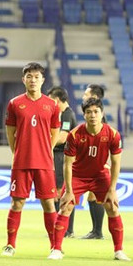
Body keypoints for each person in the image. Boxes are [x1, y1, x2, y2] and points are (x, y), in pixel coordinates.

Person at [54, 98, 130, 260]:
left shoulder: (113, 134)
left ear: (102, 114)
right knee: (65, 207)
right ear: (84, 115)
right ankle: (56, 250)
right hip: (78, 175)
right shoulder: (74, 135)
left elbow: (116, 163)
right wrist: (68, 191)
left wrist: (112, 189)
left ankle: (119, 251)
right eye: (89, 112)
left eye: (96, 112)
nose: (92, 115)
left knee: (112, 207)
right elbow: (67, 165)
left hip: (100, 175)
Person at [2, 63, 60, 256]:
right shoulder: (15, 103)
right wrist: (16, 152)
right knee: (17, 203)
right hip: (22, 162)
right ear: (23, 80)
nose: (33, 80)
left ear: (43, 80)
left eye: (36, 77)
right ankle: (10, 245)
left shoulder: (51, 105)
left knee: (49, 204)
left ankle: (55, 247)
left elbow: (54, 132)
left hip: (44, 163)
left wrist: (46, 150)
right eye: (29, 76)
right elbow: (10, 132)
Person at [78, 83, 108, 240]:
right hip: (91, 162)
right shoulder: (94, 116)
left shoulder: (100, 120)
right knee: (93, 197)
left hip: (98, 164)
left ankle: (98, 232)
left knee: (96, 197)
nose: (83, 96)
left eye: (86, 94)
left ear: (94, 97)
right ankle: (96, 231)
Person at [48, 86, 78, 238]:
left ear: (57, 100)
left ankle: (67, 230)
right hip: (58, 157)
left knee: (62, 192)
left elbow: (64, 136)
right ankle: (60, 227)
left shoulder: (67, 115)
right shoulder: (63, 115)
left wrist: (46, 143)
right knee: (56, 192)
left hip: (62, 158)